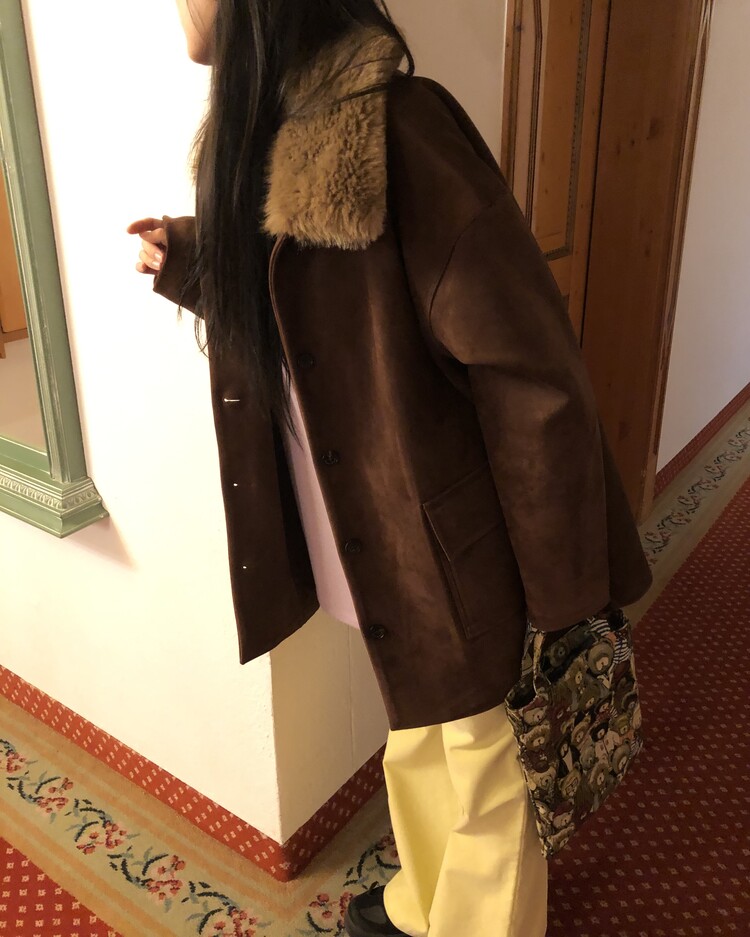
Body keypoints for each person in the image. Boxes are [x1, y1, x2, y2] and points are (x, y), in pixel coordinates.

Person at [127, 3, 653, 936]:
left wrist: (563, 590)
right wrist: (196, 256)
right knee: (417, 730)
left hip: (456, 542)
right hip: (364, 526)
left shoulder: (401, 129)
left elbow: (531, 372)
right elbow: (304, 300)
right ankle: (426, 901)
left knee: (489, 765)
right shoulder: (259, 134)